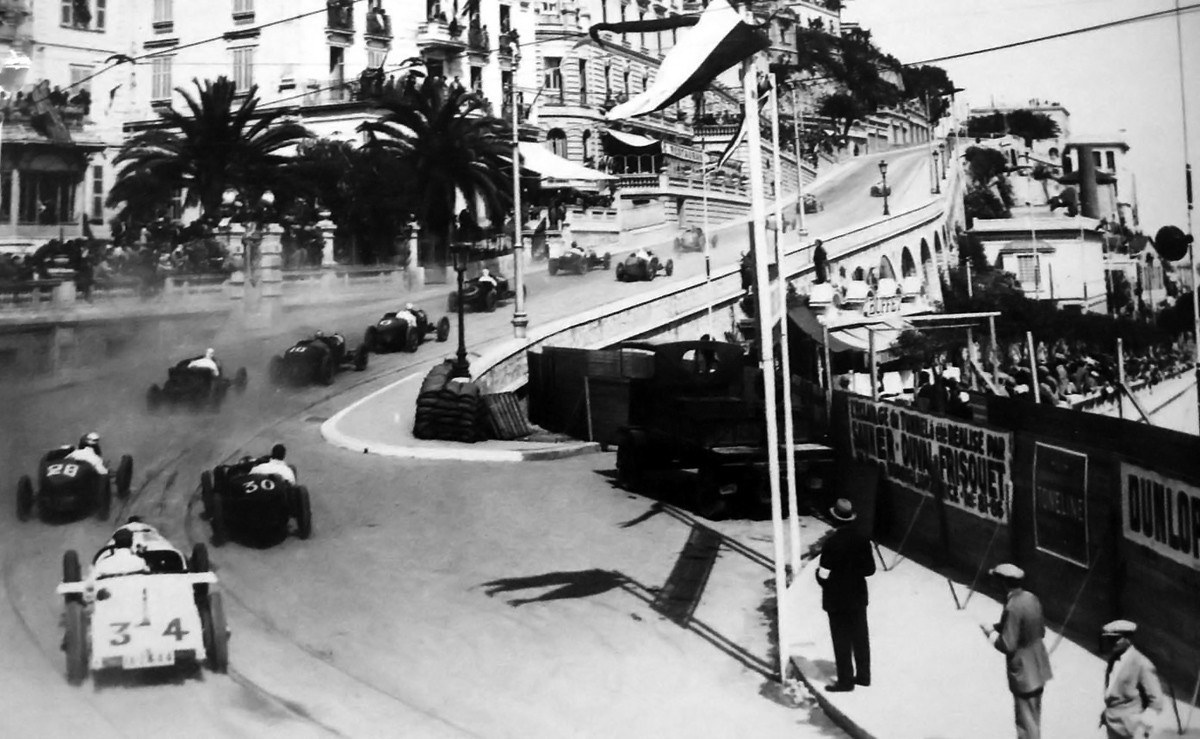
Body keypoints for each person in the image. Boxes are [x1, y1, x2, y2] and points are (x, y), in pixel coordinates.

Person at [980, 563, 1053, 739]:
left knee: (1026, 725)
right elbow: (1039, 630)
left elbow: (1007, 645)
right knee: (1033, 719)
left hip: (1023, 675)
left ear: (1004, 583)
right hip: (1038, 667)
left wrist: (989, 633)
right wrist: (1000, 626)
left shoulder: (1012, 606)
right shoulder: (1031, 598)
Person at [816, 498, 875, 692]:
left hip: (837, 599)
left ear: (835, 520)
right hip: (858, 596)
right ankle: (864, 676)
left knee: (841, 640)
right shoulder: (863, 540)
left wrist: (822, 579)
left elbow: (823, 575)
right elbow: (869, 570)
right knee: (860, 637)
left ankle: (846, 681)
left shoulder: (831, 544)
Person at [1099, 620, 1164, 739]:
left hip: (1131, 731)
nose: (1111, 643)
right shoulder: (1113, 660)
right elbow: (1113, 690)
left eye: (1115, 639)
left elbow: (1157, 701)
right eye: (1109, 639)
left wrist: (1143, 728)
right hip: (1112, 726)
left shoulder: (1142, 664)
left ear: (1127, 639)